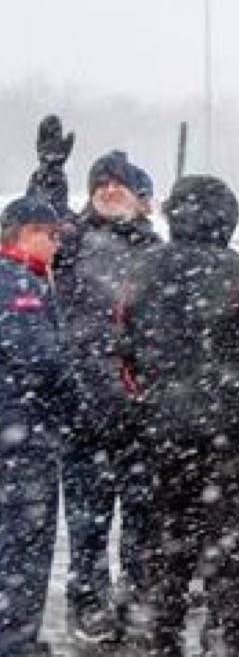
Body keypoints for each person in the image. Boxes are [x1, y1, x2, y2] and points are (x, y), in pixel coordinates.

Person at [117, 175, 239, 657]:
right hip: (230, 438)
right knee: (234, 548)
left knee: (167, 543)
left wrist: (147, 404)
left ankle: (163, 635)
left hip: (162, 434)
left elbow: (122, 351)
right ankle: (230, 638)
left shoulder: (141, 272)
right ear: (227, 217)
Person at [26, 116, 160, 645]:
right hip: (83, 408)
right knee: (87, 523)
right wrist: (50, 175)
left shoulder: (157, 254)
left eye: (118, 182)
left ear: (142, 197)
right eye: (99, 183)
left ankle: (136, 598)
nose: (107, 189)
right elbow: (40, 224)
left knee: (142, 521)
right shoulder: (75, 242)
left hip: (142, 409)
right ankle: (88, 602)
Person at [0, 196, 70, 657]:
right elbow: (39, 357)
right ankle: (15, 639)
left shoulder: (26, 277)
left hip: (18, 426)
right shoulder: (18, 285)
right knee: (24, 541)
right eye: (51, 234)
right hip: (22, 432)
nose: (56, 244)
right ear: (25, 235)